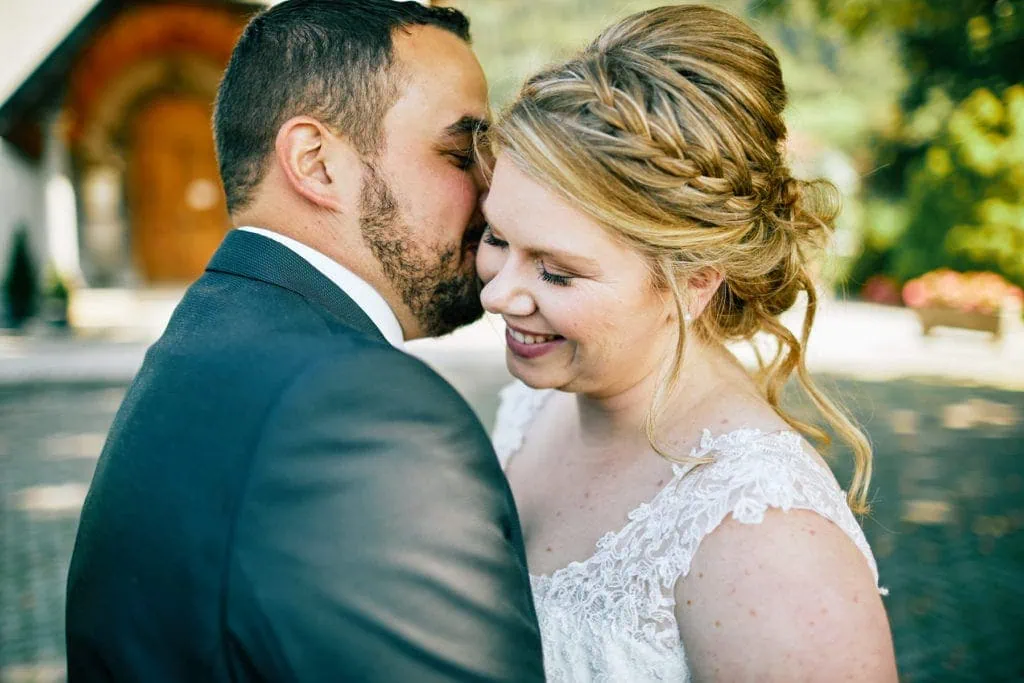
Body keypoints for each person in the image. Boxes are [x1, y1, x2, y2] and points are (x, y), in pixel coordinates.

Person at [65, 2, 544, 681]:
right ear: (316, 163)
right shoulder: (365, 411)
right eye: (461, 151)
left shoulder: (202, 339)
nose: (492, 191)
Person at [477, 5, 898, 681]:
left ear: (694, 281)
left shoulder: (769, 541)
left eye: (557, 271)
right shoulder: (530, 411)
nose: (498, 294)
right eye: (497, 238)